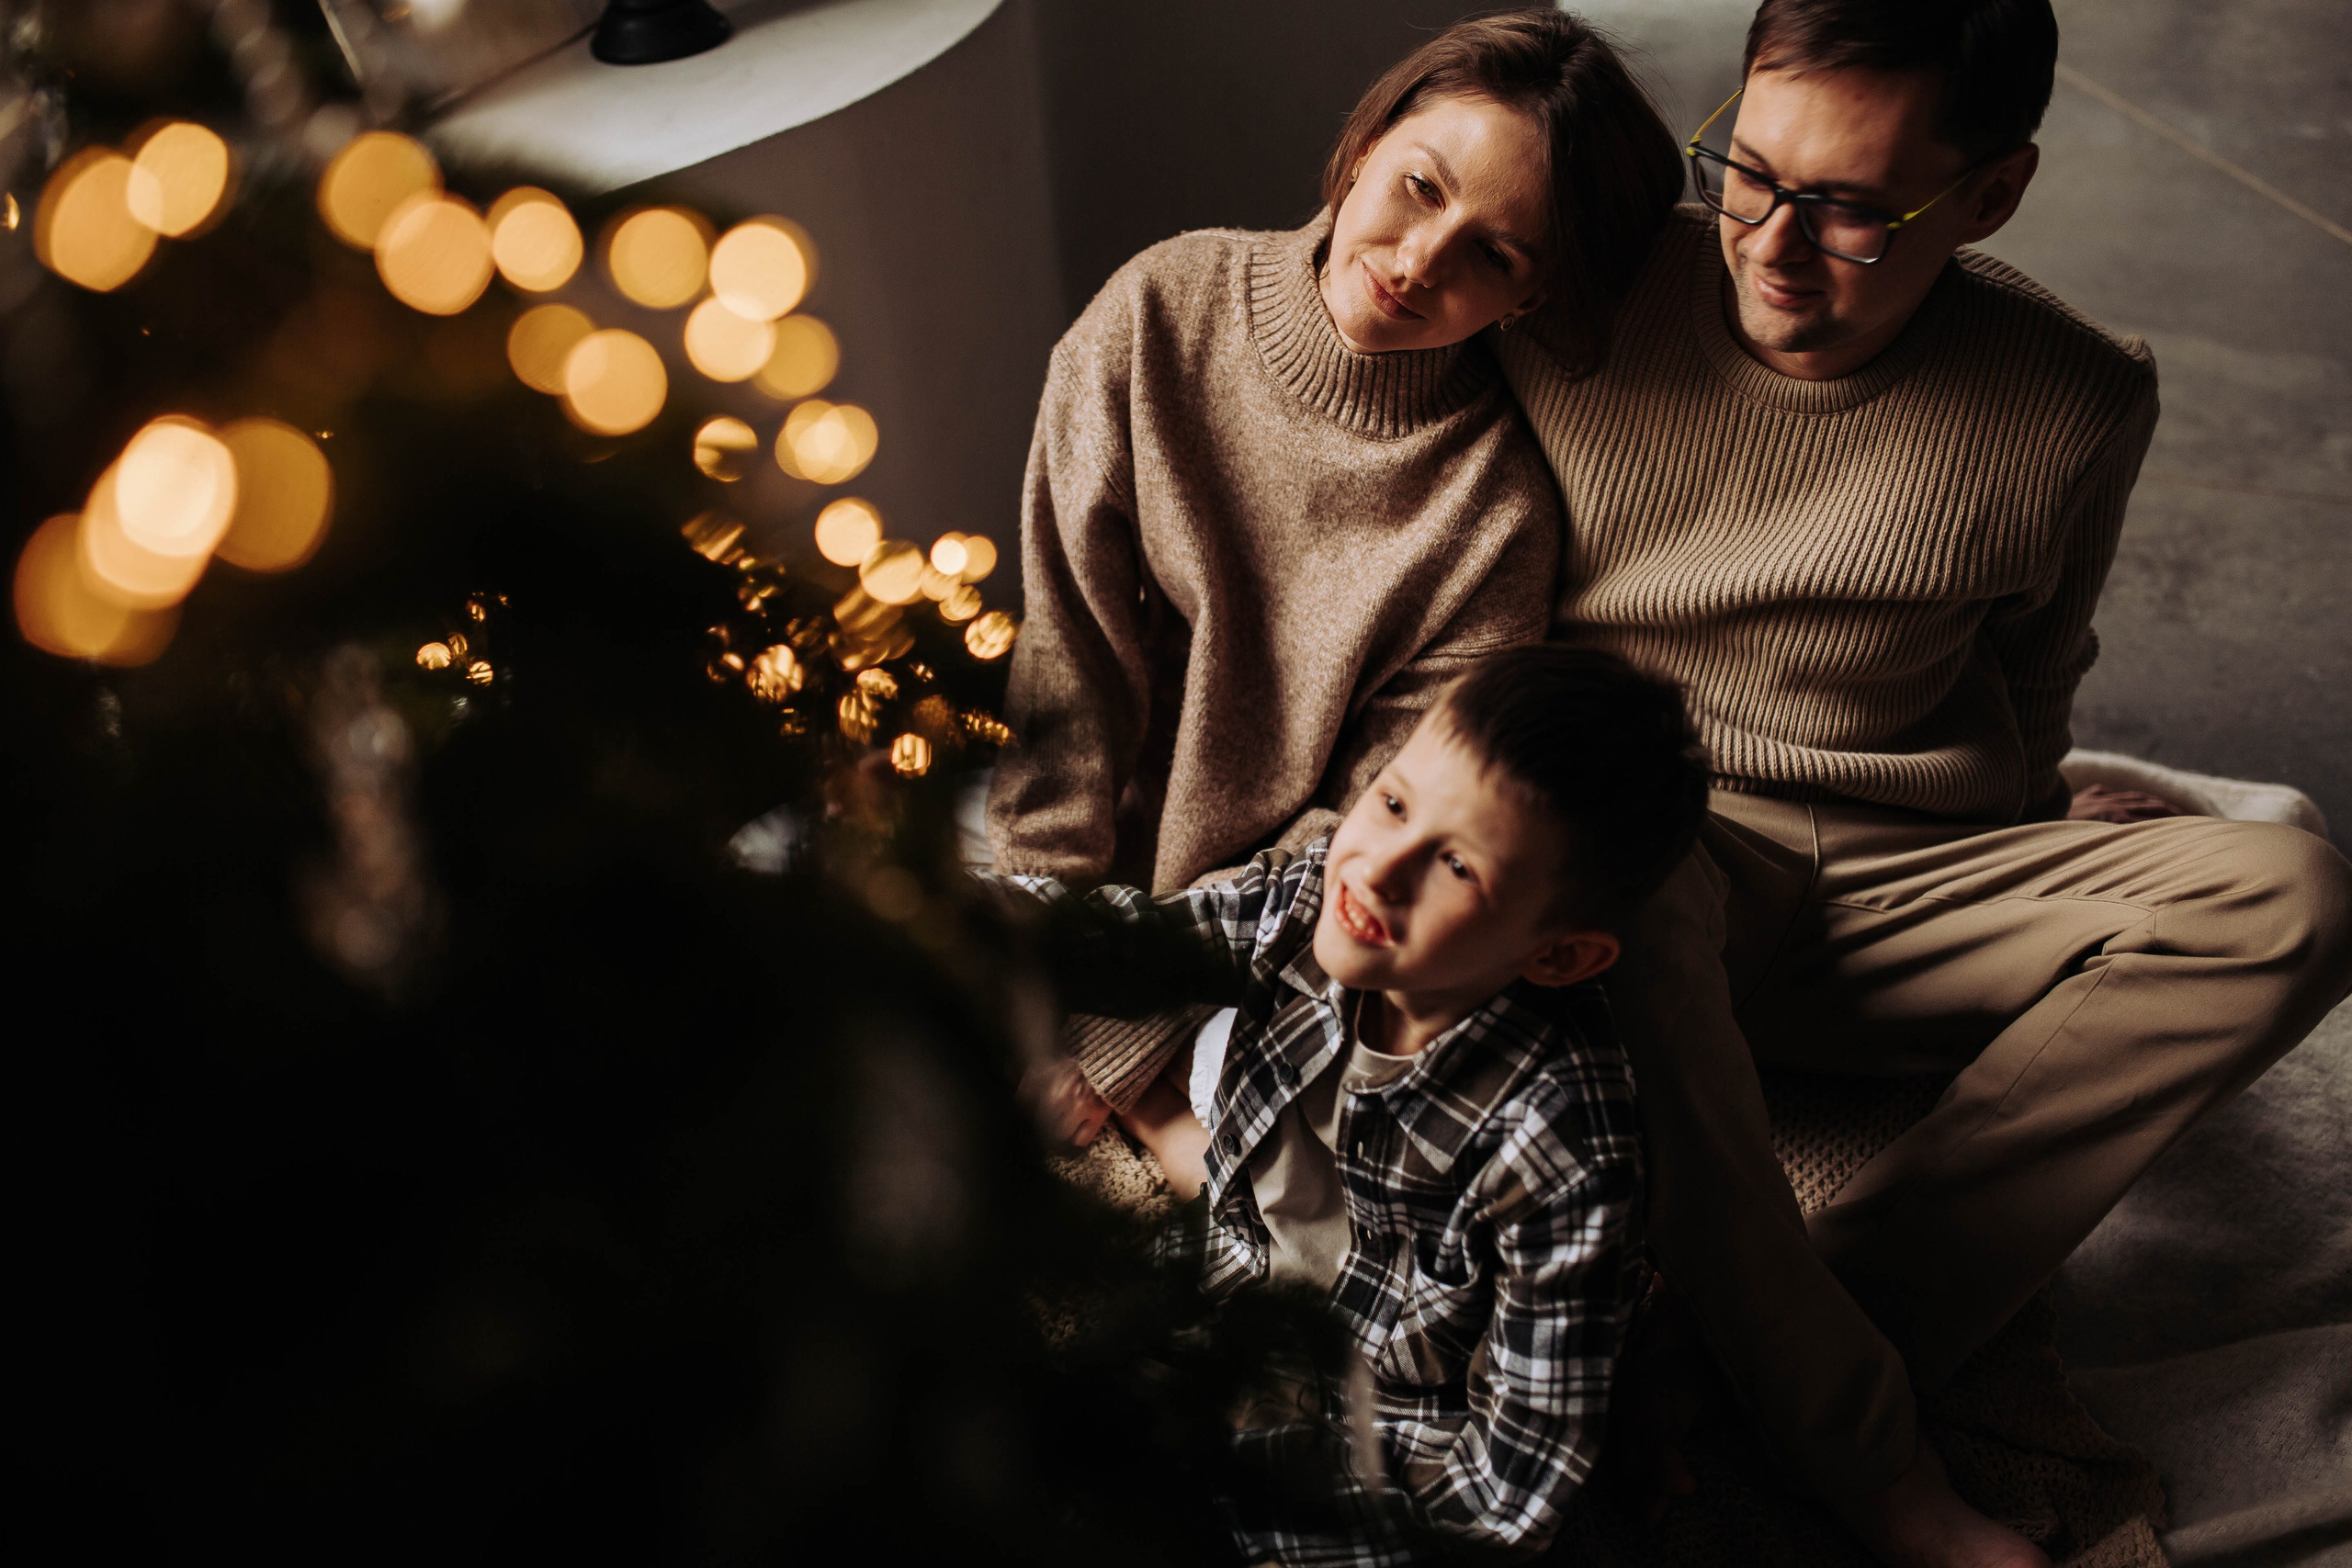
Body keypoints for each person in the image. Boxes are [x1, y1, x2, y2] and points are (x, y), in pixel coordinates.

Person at [1487, 2, 2352, 1563]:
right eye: (1744, 172)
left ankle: (1806, 1316)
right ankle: (1854, 1436)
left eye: (1849, 210)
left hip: (1908, 879)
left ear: (1994, 193)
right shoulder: (1594, 292)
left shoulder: (2080, 396)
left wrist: (2051, 857)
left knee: (2290, 892)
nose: (1770, 243)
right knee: (1608, 881)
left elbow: (2028, 685)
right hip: (1651, 845)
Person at [986, 10, 1685, 1121]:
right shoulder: (1156, 313)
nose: (1419, 263)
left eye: (1492, 255)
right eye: (1420, 187)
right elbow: (1065, 645)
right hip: (1080, 843)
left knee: (1320, 1128)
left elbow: (1371, 825)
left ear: (1531, 297)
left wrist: (1134, 1012)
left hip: (1290, 926)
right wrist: (1044, 918)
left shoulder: (1494, 518)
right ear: (1366, 146)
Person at [992, 646, 1712, 1562]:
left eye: (1457, 866)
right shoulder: (1303, 898)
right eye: (1395, 802)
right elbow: (1115, 942)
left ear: (1558, 956)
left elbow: (1513, 1475)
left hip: (1399, 1422)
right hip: (1239, 1292)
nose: (1375, 871)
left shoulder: (1562, 1141)